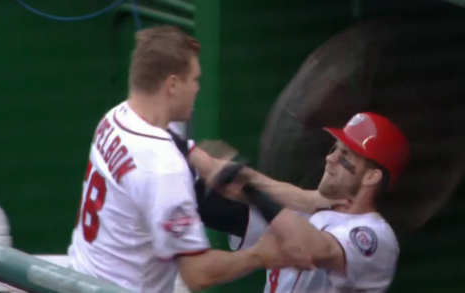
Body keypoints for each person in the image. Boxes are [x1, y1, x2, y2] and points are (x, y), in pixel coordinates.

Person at [67, 25, 299, 293]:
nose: (197, 88)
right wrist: (260, 254)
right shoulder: (165, 168)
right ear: (173, 84)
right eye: (194, 79)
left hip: (84, 277)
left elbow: (168, 149)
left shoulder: (113, 119)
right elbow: (197, 274)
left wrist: (198, 157)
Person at [205, 112, 409, 293]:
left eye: (345, 154)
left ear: (371, 177)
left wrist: (251, 183)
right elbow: (220, 210)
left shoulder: (376, 235)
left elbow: (309, 250)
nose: (330, 159)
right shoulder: (309, 214)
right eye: (334, 149)